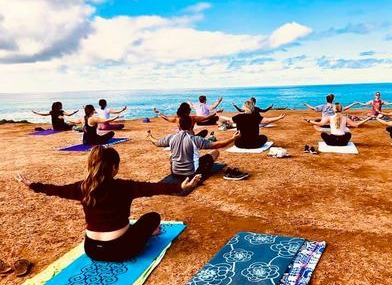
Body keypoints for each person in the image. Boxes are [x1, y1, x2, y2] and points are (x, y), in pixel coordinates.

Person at [15, 146, 201, 262]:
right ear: (114, 168)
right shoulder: (124, 186)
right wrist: (180, 186)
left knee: (136, 224)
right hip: (121, 250)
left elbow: (56, 189)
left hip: (92, 250)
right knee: (153, 217)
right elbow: (153, 188)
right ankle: (146, 233)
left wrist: (32, 185)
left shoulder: (82, 187)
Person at [146, 115, 237, 178]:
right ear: (191, 125)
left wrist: (149, 136)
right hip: (192, 173)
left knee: (171, 155)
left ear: (179, 125)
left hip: (174, 173)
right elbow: (218, 145)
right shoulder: (195, 139)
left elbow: (156, 142)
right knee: (215, 152)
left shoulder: (171, 137)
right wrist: (233, 138)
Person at [304, 103, 371, 146]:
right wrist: (368, 119)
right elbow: (356, 125)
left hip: (331, 141)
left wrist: (309, 121)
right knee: (348, 134)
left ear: (334, 109)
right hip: (343, 142)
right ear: (341, 109)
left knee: (323, 134)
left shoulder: (330, 118)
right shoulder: (345, 118)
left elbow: (320, 123)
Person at [153, 103, 221, 137]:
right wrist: (216, 113)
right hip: (191, 137)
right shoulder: (193, 118)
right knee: (204, 132)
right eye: (189, 109)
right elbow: (206, 117)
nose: (190, 110)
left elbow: (166, 118)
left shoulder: (176, 118)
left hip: (180, 136)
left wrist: (158, 113)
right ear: (187, 111)